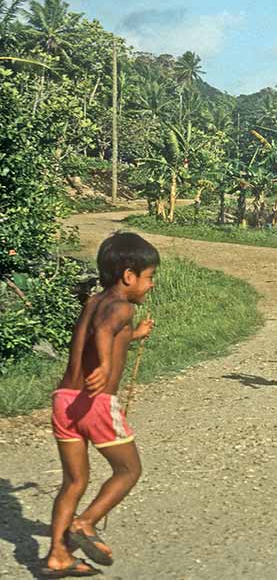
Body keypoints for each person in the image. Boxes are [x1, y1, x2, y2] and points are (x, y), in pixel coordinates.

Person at [44, 232, 158, 577]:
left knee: (73, 482)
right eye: (149, 277)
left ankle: (58, 554)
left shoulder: (94, 301)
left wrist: (133, 334)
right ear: (128, 275)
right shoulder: (121, 306)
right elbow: (105, 333)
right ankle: (85, 522)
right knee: (129, 470)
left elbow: (98, 330)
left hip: (65, 402)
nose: (150, 285)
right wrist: (106, 367)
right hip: (95, 403)